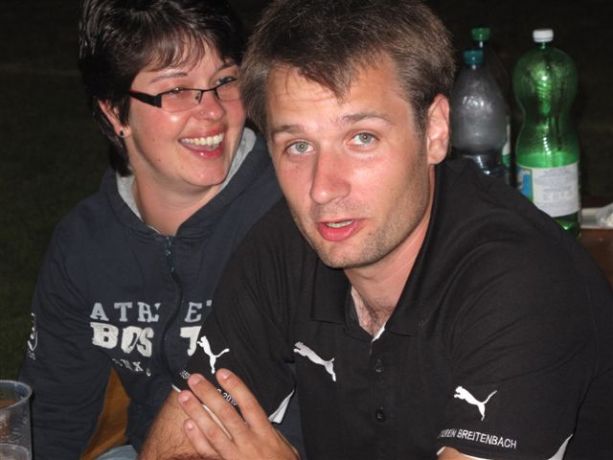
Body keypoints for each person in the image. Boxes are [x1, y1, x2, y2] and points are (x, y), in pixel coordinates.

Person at [142, 0, 613, 459]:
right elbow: (178, 441)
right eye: (298, 145)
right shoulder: (286, 244)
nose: (323, 189)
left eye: (362, 138)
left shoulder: (522, 282)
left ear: (435, 130)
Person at [18, 0, 308, 458]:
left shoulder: (296, 208)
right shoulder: (84, 246)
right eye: (176, 90)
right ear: (115, 113)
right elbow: (54, 418)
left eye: (224, 81)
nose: (212, 112)